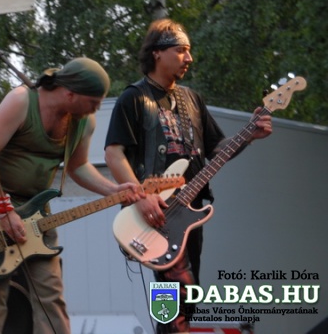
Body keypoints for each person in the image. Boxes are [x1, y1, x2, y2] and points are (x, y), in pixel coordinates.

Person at [104, 18, 272, 333]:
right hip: (156, 212)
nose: (189, 58)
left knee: (187, 296)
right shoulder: (134, 98)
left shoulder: (192, 99)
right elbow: (113, 153)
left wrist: (249, 135)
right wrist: (141, 198)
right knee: (176, 293)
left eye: (189, 51)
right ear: (157, 52)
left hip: (189, 212)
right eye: (181, 50)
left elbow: (217, 149)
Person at [0, 57, 143, 334]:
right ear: (70, 94)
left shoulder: (83, 122)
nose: (96, 109)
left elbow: (78, 166)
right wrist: (4, 210)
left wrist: (112, 189)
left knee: (50, 296)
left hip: (37, 214)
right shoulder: (21, 101)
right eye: (93, 102)